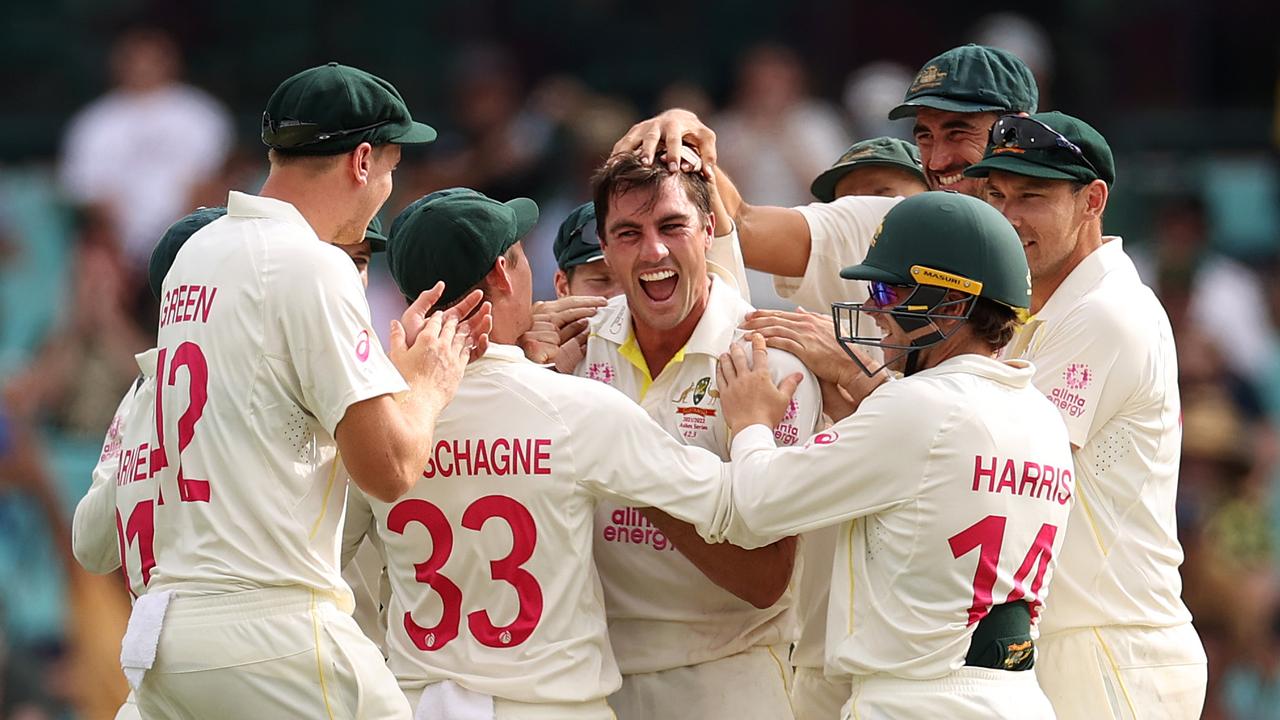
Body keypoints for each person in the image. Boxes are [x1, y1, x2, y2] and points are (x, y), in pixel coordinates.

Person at [127, 63, 490, 720]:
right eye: (389, 167)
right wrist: (426, 384)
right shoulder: (312, 262)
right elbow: (389, 469)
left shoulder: (196, 253)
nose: (386, 187)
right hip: (272, 622)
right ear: (360, 160)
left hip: (169, 627)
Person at [342, 188, 769, 719]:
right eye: (522, 259)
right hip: (551, 705)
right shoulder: (575, 407)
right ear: (502, 273)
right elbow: (733, 507)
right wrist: (753, 426)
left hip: (418, 701)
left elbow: (326, 566)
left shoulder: (371, 422)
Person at [708, 191, 1075, 718]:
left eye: (888, 290)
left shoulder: (918, 406)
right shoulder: (1042, 416)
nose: (876, 311)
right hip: (1015, 696)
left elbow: (757, 504)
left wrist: (751, 423)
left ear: (951, 305)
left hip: (916, 700)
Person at [965, 111, 1208, 718]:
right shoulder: (1031, 310)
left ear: (1093, 200)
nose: (1008, 217)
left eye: (1033, 196)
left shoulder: (1105, 312)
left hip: (1112, 646)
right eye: (996, 195)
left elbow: (995, 464)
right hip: (1077, 642)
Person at [578, 153, 821, 720]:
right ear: (606, 248)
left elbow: (765, 579)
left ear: (708, 229)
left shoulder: (768, 360)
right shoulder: (578, 348)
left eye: (672, 226)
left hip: (726, 677)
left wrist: (632, 466)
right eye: (628, 233)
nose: (653, 252)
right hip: (591, 679)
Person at [611, 44, 1037, 314]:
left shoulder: (1066, 245)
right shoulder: (886, 224)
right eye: (924, 136)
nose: (938, 158)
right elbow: (742, 225)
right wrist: (683, 127)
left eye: (959, 132)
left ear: (1015, 131)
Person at [747, 136, 926, 720]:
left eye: (883, 199)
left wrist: (857, 385)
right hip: (816, 639)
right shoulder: (796, 349)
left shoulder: (962, 348)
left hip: (915, 660)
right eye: (845, 204)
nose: (862, 219)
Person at [58, 28, 233, 267]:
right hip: (116, 242)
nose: (143, 67)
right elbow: (87, 193)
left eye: (152, 59)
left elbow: (212, 182)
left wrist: (178, 234)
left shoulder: (201, 113)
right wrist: (118, 241)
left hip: (190, 230)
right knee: (94, 263)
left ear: (171, 62)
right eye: (135, 59)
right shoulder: (94, 121)